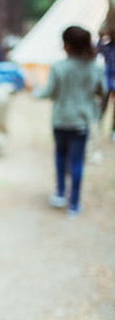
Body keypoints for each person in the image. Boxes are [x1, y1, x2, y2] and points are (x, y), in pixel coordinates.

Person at [34, 26, 106, 217]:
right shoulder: (95, 67)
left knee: (60, 156)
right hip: (81, 122)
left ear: (66, 45)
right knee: (77, 162)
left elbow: (49, 92)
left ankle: (59, 194)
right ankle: (74, 203)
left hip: (61, 120)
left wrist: (34, 90)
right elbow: (102, 90)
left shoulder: (59, 67)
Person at [97, 31, 115, 141]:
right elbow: (97, 48)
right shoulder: (107, 46)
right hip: (107, 77)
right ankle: (98, 125)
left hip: (109, 77)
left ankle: (113, 130)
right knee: (103, 104)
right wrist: (101, 35)